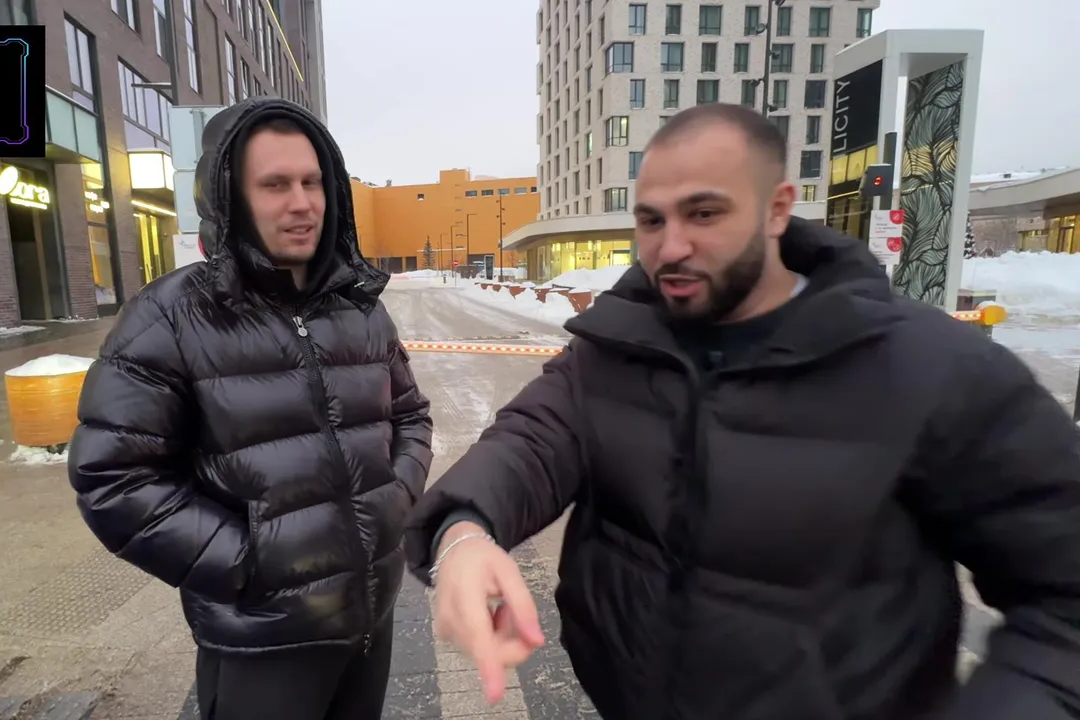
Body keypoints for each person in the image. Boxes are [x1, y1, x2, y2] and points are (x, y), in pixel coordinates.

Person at [404, 103, 1080, 720]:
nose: (670, 246)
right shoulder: (615, 346)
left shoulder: (934, 368)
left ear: (777, 209)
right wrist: (464, 533)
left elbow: (1062, 601)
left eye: (704, 214)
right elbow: (530, 441)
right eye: (651, 220)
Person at [68, 97, 433, 720]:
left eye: (313, 182)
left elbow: (411, 417)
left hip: (370, 620)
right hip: (261, 642)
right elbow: (113, 477)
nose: (302, 202)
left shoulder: (361, 308)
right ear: (230, 198)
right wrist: (251, 562)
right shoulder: (169, 317)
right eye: (275, 185)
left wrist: (395, 500)